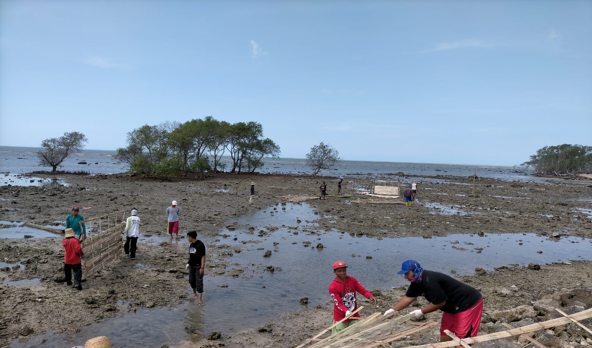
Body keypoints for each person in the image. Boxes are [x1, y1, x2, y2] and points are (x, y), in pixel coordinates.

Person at [383, 260, 483, 342]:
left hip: (468, 303)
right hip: (451, 307)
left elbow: (440, 303)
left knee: (462, 337)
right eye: (404, 274)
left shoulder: (430, 281)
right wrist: (393, 309)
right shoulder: (416, 282)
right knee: (445, 332)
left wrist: (421, 311)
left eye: (407, 273)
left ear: (415, 270)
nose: (405, 277)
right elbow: (408, 297)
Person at [329, 260, 376, 334]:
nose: (342, 273)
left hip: (354, 314)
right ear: (335, 272)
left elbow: (363, 291)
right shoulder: (333, 286)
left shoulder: (352, 280)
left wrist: (369, 296)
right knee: (338, 337)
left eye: (344, 270)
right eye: (339, 271)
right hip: (340, 317)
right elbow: (338, 303)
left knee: (355, 334)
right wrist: (346, 311)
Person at [185, 231, 206, 304]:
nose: (187, 238)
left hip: (198, 266)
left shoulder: (200, 244)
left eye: (188, 237)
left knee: (199, 282)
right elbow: (191, 256)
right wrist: (188, 263)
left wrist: (202, 267)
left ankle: (200, 298)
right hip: (191, 266)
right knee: (191, 280)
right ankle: (194, 294)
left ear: (191, 237)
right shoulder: (191, 245)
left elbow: (203, 256)